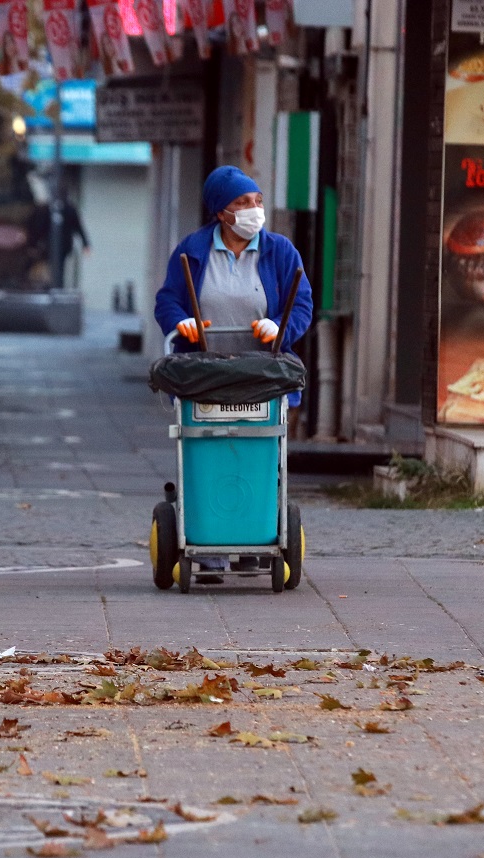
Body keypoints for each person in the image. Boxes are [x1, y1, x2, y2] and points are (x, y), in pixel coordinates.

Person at [153, 165, 313, 582]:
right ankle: (209, 552)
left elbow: (302, 304)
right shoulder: (193, 250)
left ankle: (259, 540)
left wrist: (280, 326)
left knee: (261, 455)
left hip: (262, 374)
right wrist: (181, 324)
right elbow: (168, 298)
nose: (253, 210)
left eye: (257, 201)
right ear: (221, 212)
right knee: (209, 450)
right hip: (207, 373)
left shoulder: (280, 251)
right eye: (242, 203)